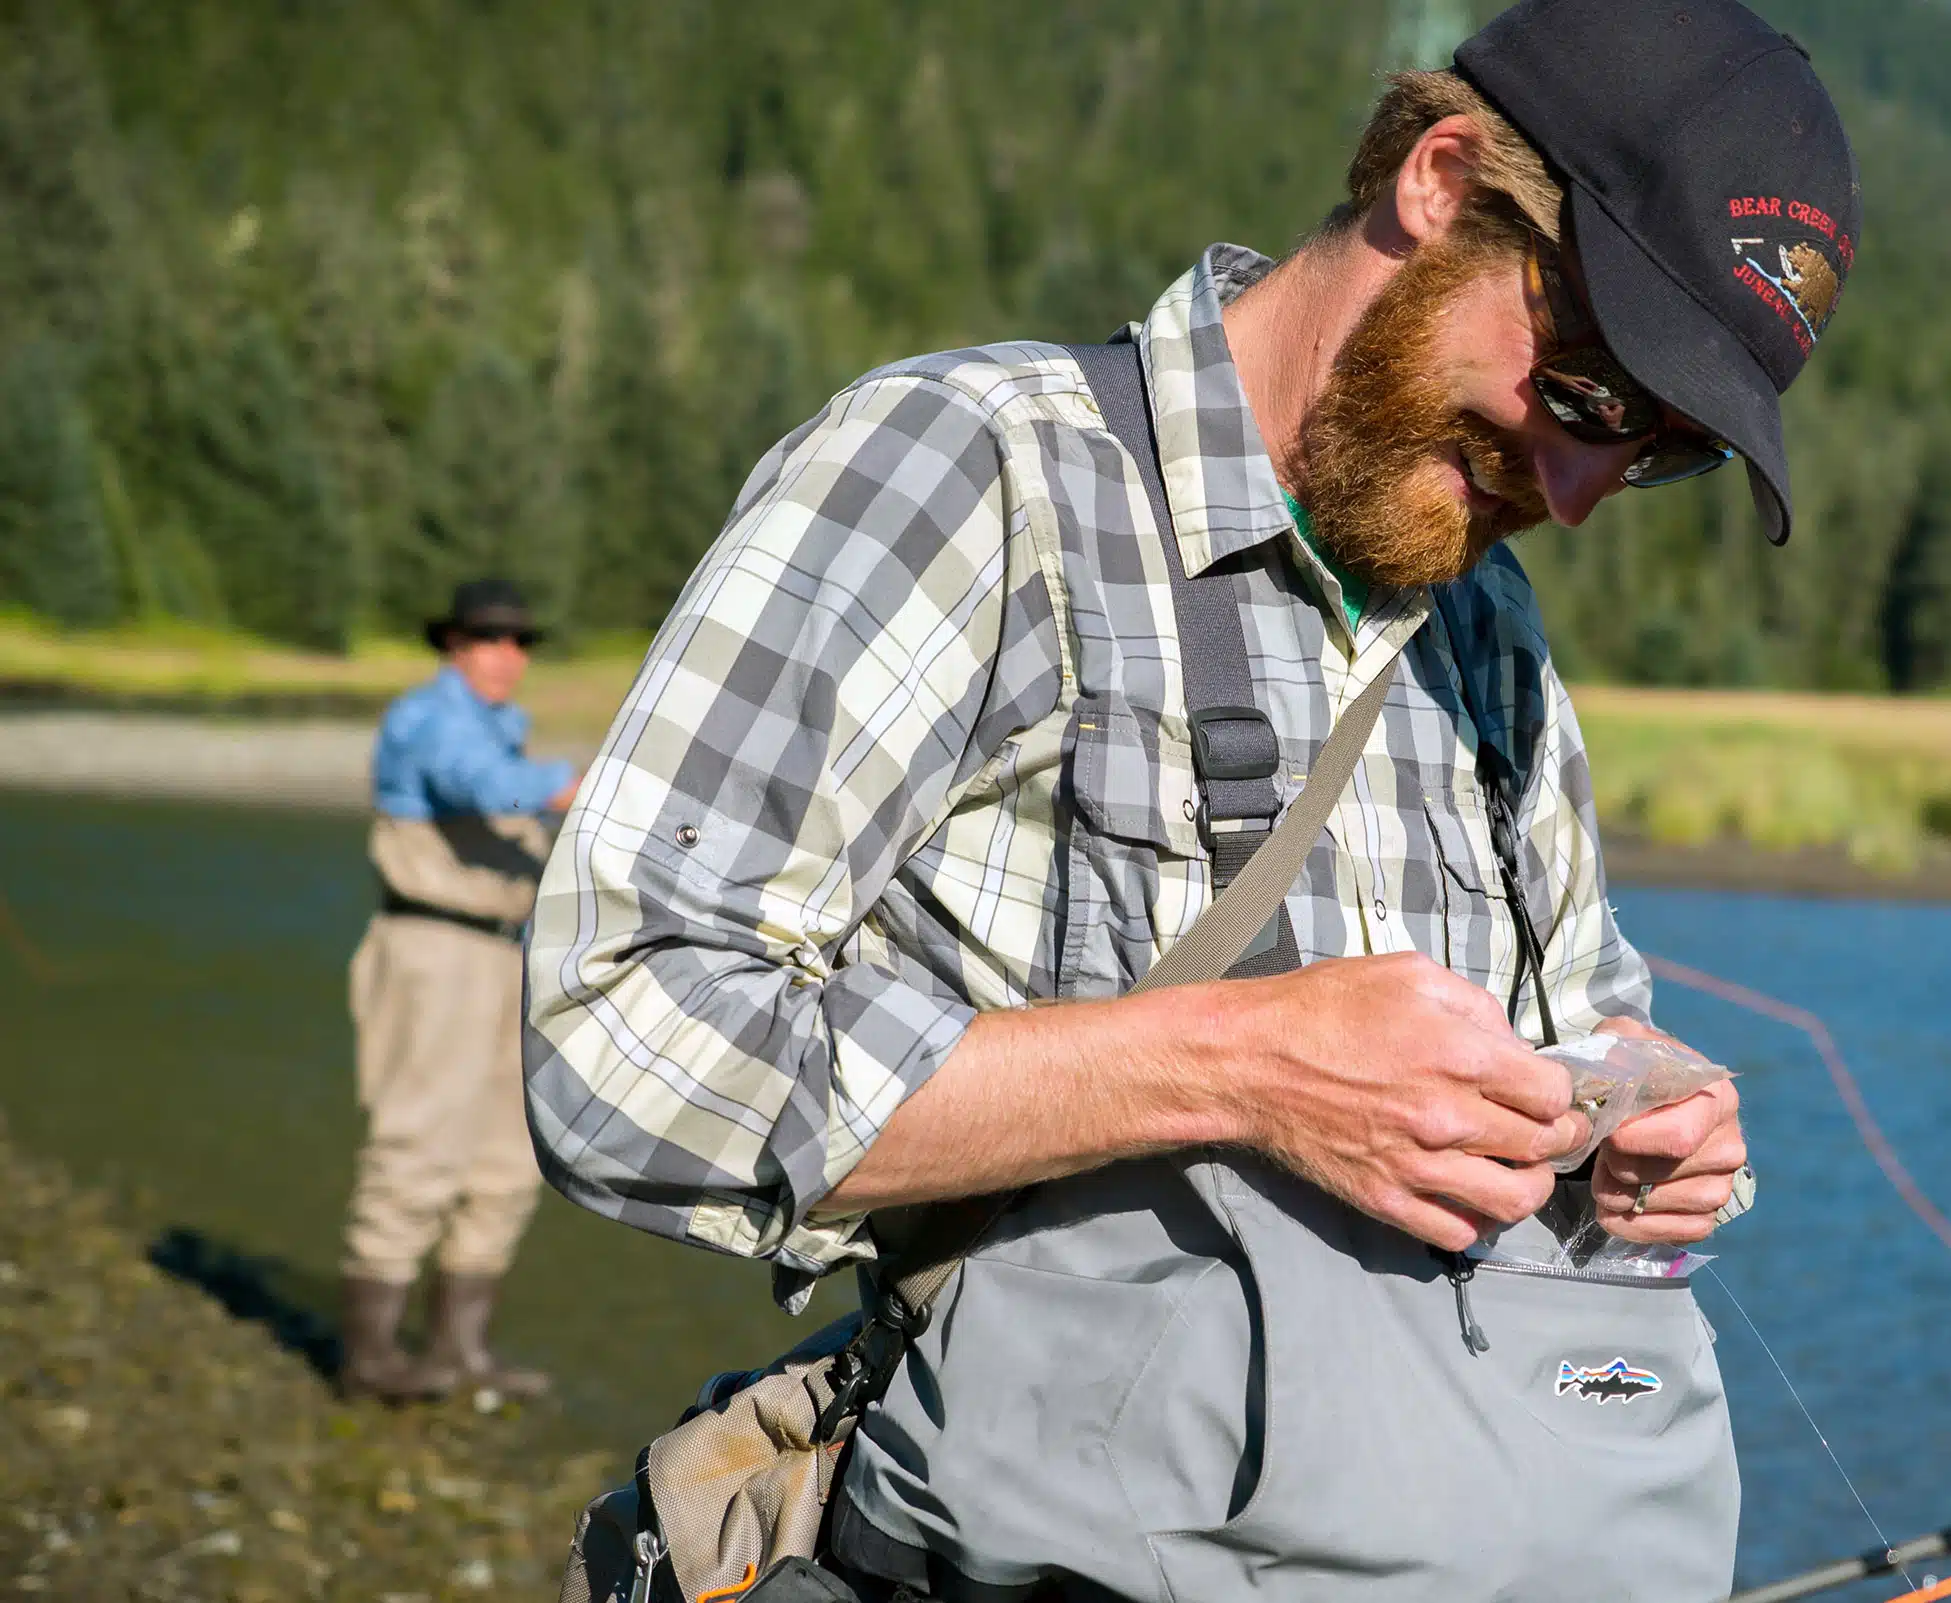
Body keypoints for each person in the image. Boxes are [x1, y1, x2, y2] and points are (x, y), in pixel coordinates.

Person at [527, 0, 1854, 1595]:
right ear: (1438, 181)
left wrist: (1643, 1103)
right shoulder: (973, 468)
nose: (1576, 497)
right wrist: (1238, 1065)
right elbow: (619, 1038)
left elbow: (1587, 1006)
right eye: (1581, 392)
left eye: (1662, 454)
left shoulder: (1486, 627)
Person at [340, 577, 578, 1403]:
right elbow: (481, 787)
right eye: (486, 638)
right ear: (453, 645)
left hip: (505, 956)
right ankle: (370, 1357)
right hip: (430, 950)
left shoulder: (504, 733)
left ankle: (459, 1350)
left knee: (508, 1154)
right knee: (417, 1143)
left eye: (517, 641)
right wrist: (578, 785)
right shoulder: (426, 720)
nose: (505, 655)